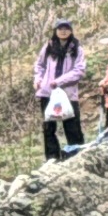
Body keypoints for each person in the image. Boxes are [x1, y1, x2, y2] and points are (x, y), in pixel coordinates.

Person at [32, 20, 87, 161]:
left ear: (71, 31)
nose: (63, 31)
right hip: (47, 93)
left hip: (68, 93)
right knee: (48, 127)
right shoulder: (48, 46)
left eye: (66, 28)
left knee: (72, 126)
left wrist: (59, 81)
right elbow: (40, 65)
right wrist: (38, 79)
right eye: (60, 28)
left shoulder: (77, 49)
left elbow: (79, 71)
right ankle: (52, 158)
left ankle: (77, 156)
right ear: (55, 31)